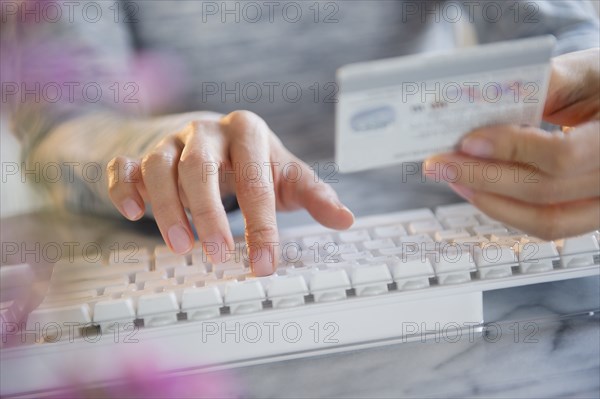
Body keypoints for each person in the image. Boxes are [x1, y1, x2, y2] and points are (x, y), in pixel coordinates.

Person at [3, 1, 599, 276]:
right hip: (207, 257)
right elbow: (61, 122)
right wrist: (165, 146)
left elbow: (565, 39)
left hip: (449, 239)